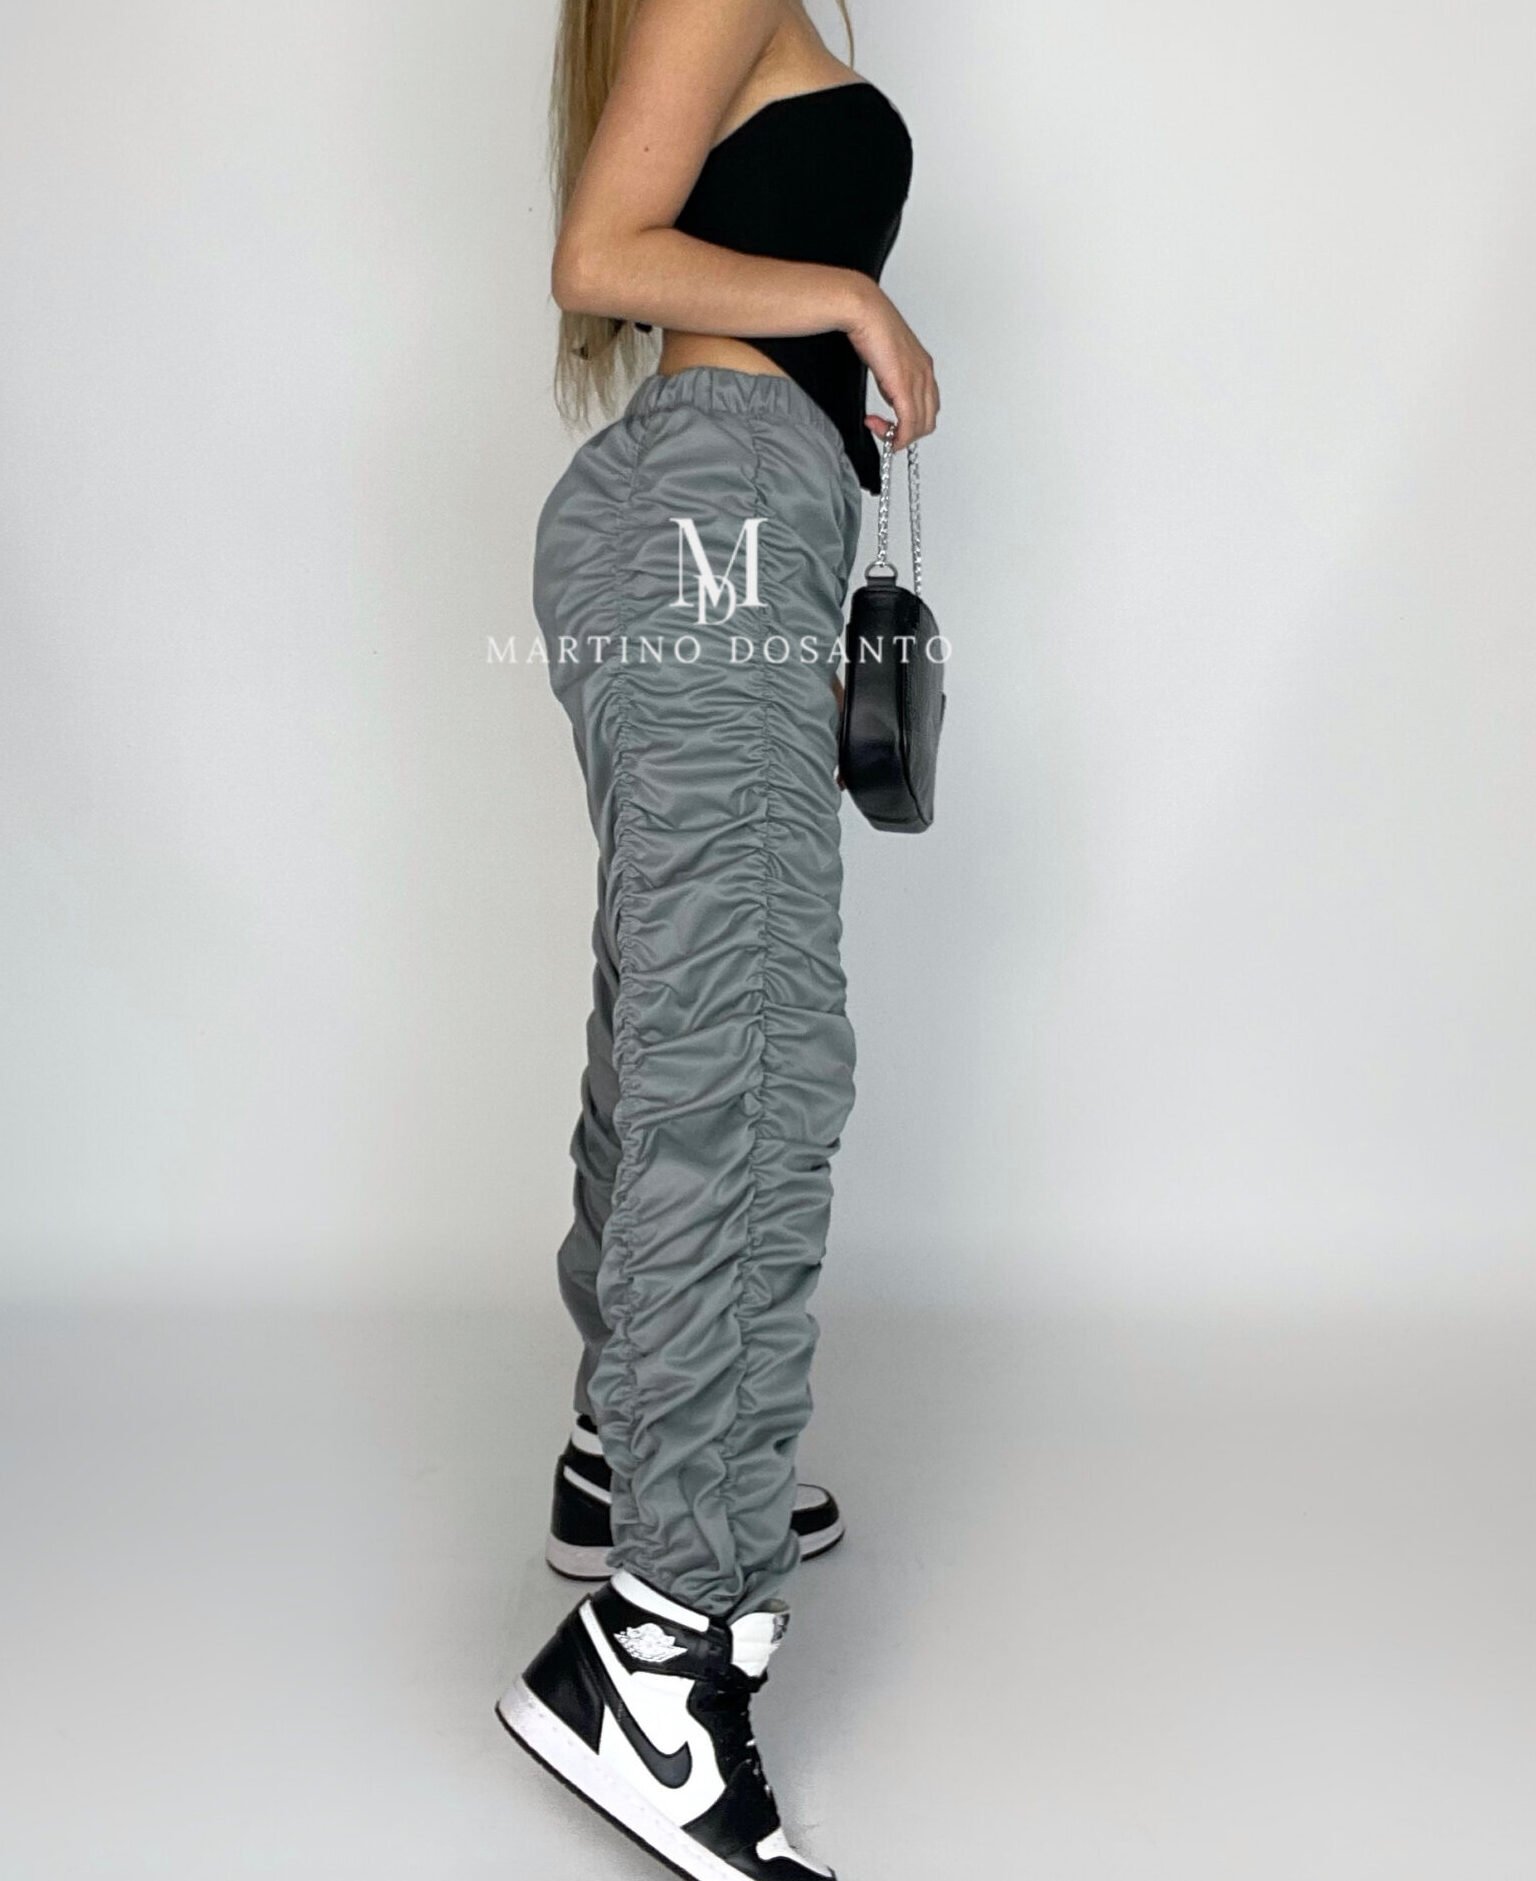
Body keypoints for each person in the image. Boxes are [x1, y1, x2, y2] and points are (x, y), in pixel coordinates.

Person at [497, 3, 938, 1875]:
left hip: (727, 516)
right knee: (742, 1043)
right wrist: (853, 300)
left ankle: (627, 1454)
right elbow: (600, 254)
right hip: (715, 516)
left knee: (682, 1008)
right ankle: (661, 1642)